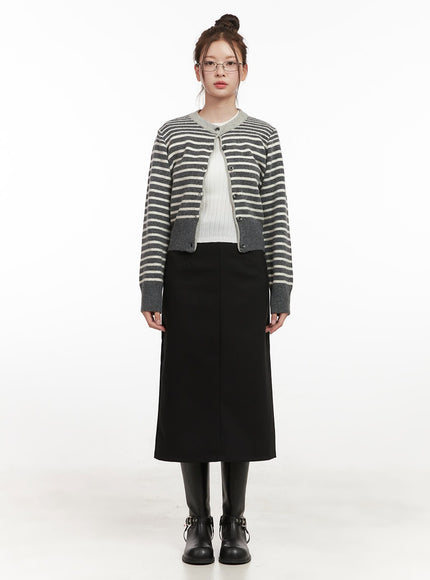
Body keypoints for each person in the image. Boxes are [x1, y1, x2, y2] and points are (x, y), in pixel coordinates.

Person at [139, 13, 293, 565]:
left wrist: (280, 289)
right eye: (211, 63)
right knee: (190, 396)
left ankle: (234, 523)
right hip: (188, 273)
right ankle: (198, 523)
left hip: (248, 274)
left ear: (243, 71)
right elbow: (156, 213)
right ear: (198, 71)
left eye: (230, 63)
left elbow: (276, 216)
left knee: (242, 397)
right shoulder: (172, 134)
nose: (220, 71)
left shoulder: (264, 135)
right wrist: (152, 287)